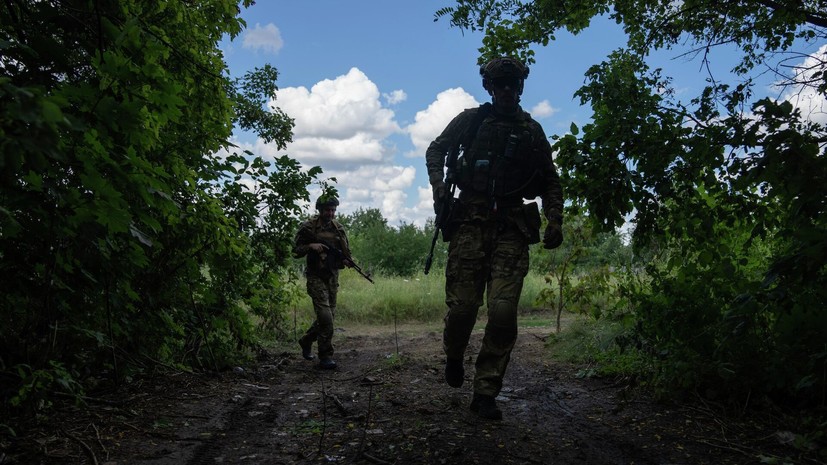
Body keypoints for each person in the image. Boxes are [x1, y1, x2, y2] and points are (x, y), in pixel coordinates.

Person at [425, 56, 564, 420]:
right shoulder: (470, 122)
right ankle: (454, 355)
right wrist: (439, 188)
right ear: (489, 87)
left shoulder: (532, 132)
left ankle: (485, 390)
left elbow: (550, 179)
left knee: (502, 313)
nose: (506, 90)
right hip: (469, 224)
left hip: (511, 229)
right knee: (463, 309)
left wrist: (555, 220)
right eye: (499, 84)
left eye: (512, 84)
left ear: (520, 87)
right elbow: (436, 149)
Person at [292, 194, 353, 370]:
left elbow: (345, 252)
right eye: (327, 210)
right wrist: (311, 246)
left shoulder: (338, 228)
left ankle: (306, 340)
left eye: (333, 210)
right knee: (326, 317)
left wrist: (346, 261)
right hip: (315, 276)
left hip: (332, 277)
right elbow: (296, 250)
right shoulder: (308, 227)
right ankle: (325, 355)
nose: (331, 213)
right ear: (319, 210)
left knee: (329, 318)